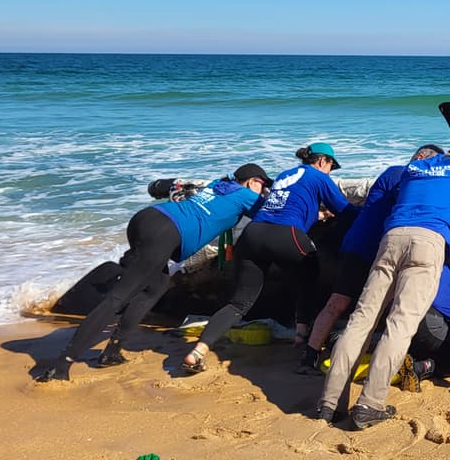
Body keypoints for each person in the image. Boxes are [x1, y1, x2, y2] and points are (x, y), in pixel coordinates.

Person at [314, 128, 450, 430]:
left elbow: (441, 164)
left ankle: (329, 403)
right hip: (428, 242)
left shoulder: (413, 169)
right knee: (400, 324)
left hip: (391, 239)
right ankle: (370, 404)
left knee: (362, 320)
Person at [32, 163, 273, 383]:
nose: (262, 191)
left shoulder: (217, 186)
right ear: (252, 181)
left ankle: (112, 352)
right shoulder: (245, 196)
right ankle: (61, 364)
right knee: (120, 296)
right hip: (165, 231)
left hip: (149, 218)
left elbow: (173, 189)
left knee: (155, 286)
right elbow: (275, 213)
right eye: (262, 185)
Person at [180, 143, 353, 374]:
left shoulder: (285, 174)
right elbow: (345, 211)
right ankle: (303, 341)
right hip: (286, 234)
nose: (330, 172)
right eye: (331, 166)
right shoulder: (319, 177)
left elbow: (287, 205)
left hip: (253, 234)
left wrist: (317, 214)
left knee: (239, 303)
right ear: (323, 162)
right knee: (310, 278)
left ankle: (197, 351)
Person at [298, 144, 444, 373]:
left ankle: (310, 355)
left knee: (340, 303)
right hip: (370, 247)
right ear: (420, 157)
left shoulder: (393, 173)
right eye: (433, 163)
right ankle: (323, 356)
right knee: (362, 306)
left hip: (361, 243)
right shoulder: (402, 173)